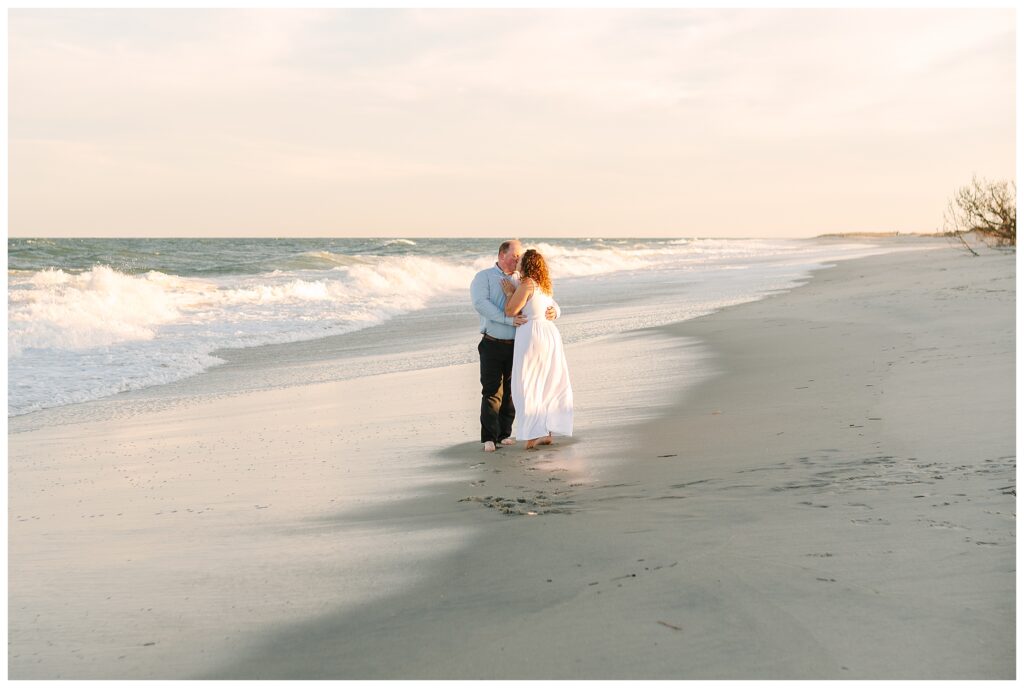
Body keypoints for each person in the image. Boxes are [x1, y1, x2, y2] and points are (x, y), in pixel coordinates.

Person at [471, 240, 559, 453]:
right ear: (502, 255)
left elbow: (544, 298)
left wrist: (556, 311)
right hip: (492, 342)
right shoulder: (484, 277)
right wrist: (507, 320)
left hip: (519, 345)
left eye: (520, 257)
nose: (518, 259)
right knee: (492, 391)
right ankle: (489, 438)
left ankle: (504, 434)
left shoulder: (523, 279)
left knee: (513, 391)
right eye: (514, 256)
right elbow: (481, 304)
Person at [504, 249, 574, 450]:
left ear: (527, 265)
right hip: (549, 334)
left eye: (521, 260)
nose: (517, 262)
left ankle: (533, 435)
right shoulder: (544, 285)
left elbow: (511, 310)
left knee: (527, 383)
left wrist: (509, 293)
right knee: (547, 383)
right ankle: (547, 431)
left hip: (532, 334)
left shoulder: (527, 284)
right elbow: (554, 307)